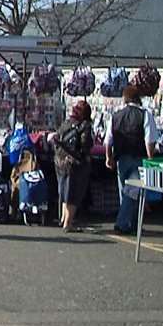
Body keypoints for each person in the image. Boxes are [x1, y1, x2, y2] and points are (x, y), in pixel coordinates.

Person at [105, 85, 159, 235]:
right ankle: (122, 223)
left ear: (125, 98)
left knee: (126, 192)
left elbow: (108, 140)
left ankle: (132, 224)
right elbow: (149, 140)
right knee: (134, 192)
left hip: (121, 158)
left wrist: (108, 157)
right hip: (138, 158)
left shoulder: (116, 116)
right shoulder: (145, 115)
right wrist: (151, 158)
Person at [52, 100, 94, 233]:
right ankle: (68, 223)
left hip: (60, 160)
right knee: (74, 194)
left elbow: (56, 139)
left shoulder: (66, 123)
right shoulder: (85, 125)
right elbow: (85, 144)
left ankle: (64, 219)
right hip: (75, 163)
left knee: (64, 191)